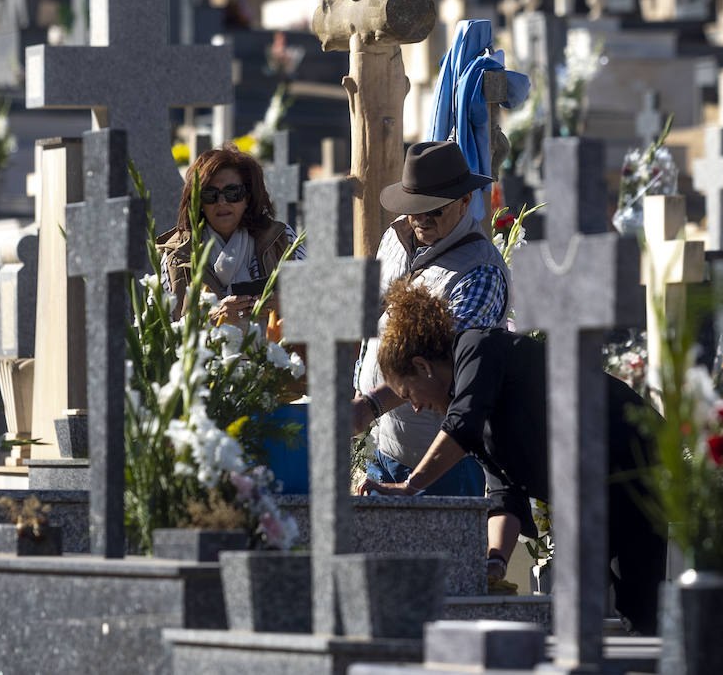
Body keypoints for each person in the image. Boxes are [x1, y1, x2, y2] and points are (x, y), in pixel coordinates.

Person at [359, 281, 666, 635]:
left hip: (632, 458)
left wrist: (409, 487)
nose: (414, 405)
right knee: (574, 599)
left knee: (641, 603)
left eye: (408, 392)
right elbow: (505, 495)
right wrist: (495, 562)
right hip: (587, 490)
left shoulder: (478, 347)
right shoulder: (473, 409)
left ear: (422, 365)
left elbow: (462, 426)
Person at [350, 141, 509, 498]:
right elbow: (373, 317)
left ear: (465, 201)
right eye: (413, 208)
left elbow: (447, 362)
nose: (420, 219)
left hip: (445, 461)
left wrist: (371, 404)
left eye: (432, 210)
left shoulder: (480, 271)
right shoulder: (395, 236)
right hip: (383, 445)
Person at [159, 143, 303, 323]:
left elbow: (319, 299)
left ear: (247, 197)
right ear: (199, 202)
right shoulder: (176, 255)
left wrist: (285, 304)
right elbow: (154, 335)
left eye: (232, 193)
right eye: (210, 195)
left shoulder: (281, 239)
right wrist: (211, 319)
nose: (221, 201)